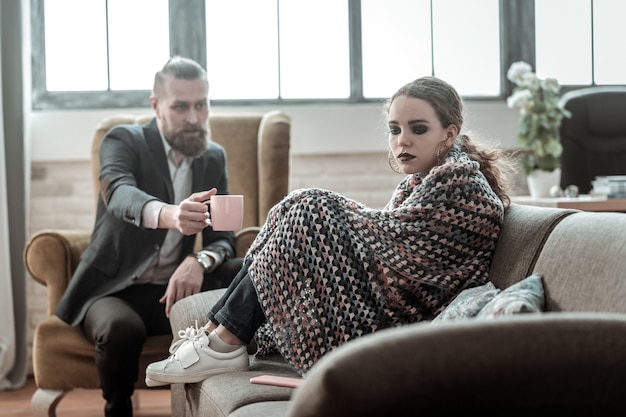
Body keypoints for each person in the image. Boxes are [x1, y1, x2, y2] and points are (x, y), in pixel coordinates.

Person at [145, 75, 513, 386]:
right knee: (302, 207)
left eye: (418, 129)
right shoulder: (421, 183)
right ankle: (215, 336)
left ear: (449, 134)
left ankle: (222, 342)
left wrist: (327, 212)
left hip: (397, 325)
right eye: (394, 129)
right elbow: (387, 243)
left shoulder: (464, 192)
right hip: (382, 306)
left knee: (311, 206)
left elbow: (402, 270)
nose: (403, 140)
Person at [55, 56, 242, 417]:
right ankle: (117, 408)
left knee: (249, 270)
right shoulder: (124, 140)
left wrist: (198, 261)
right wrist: (170, 214)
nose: (193, 118)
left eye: (201, 105)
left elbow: (224, 236)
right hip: (115, 289)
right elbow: (119, 193)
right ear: (156, 105)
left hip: (175, 289)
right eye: (181, 106)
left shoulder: (213, 156)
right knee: (121, 330)